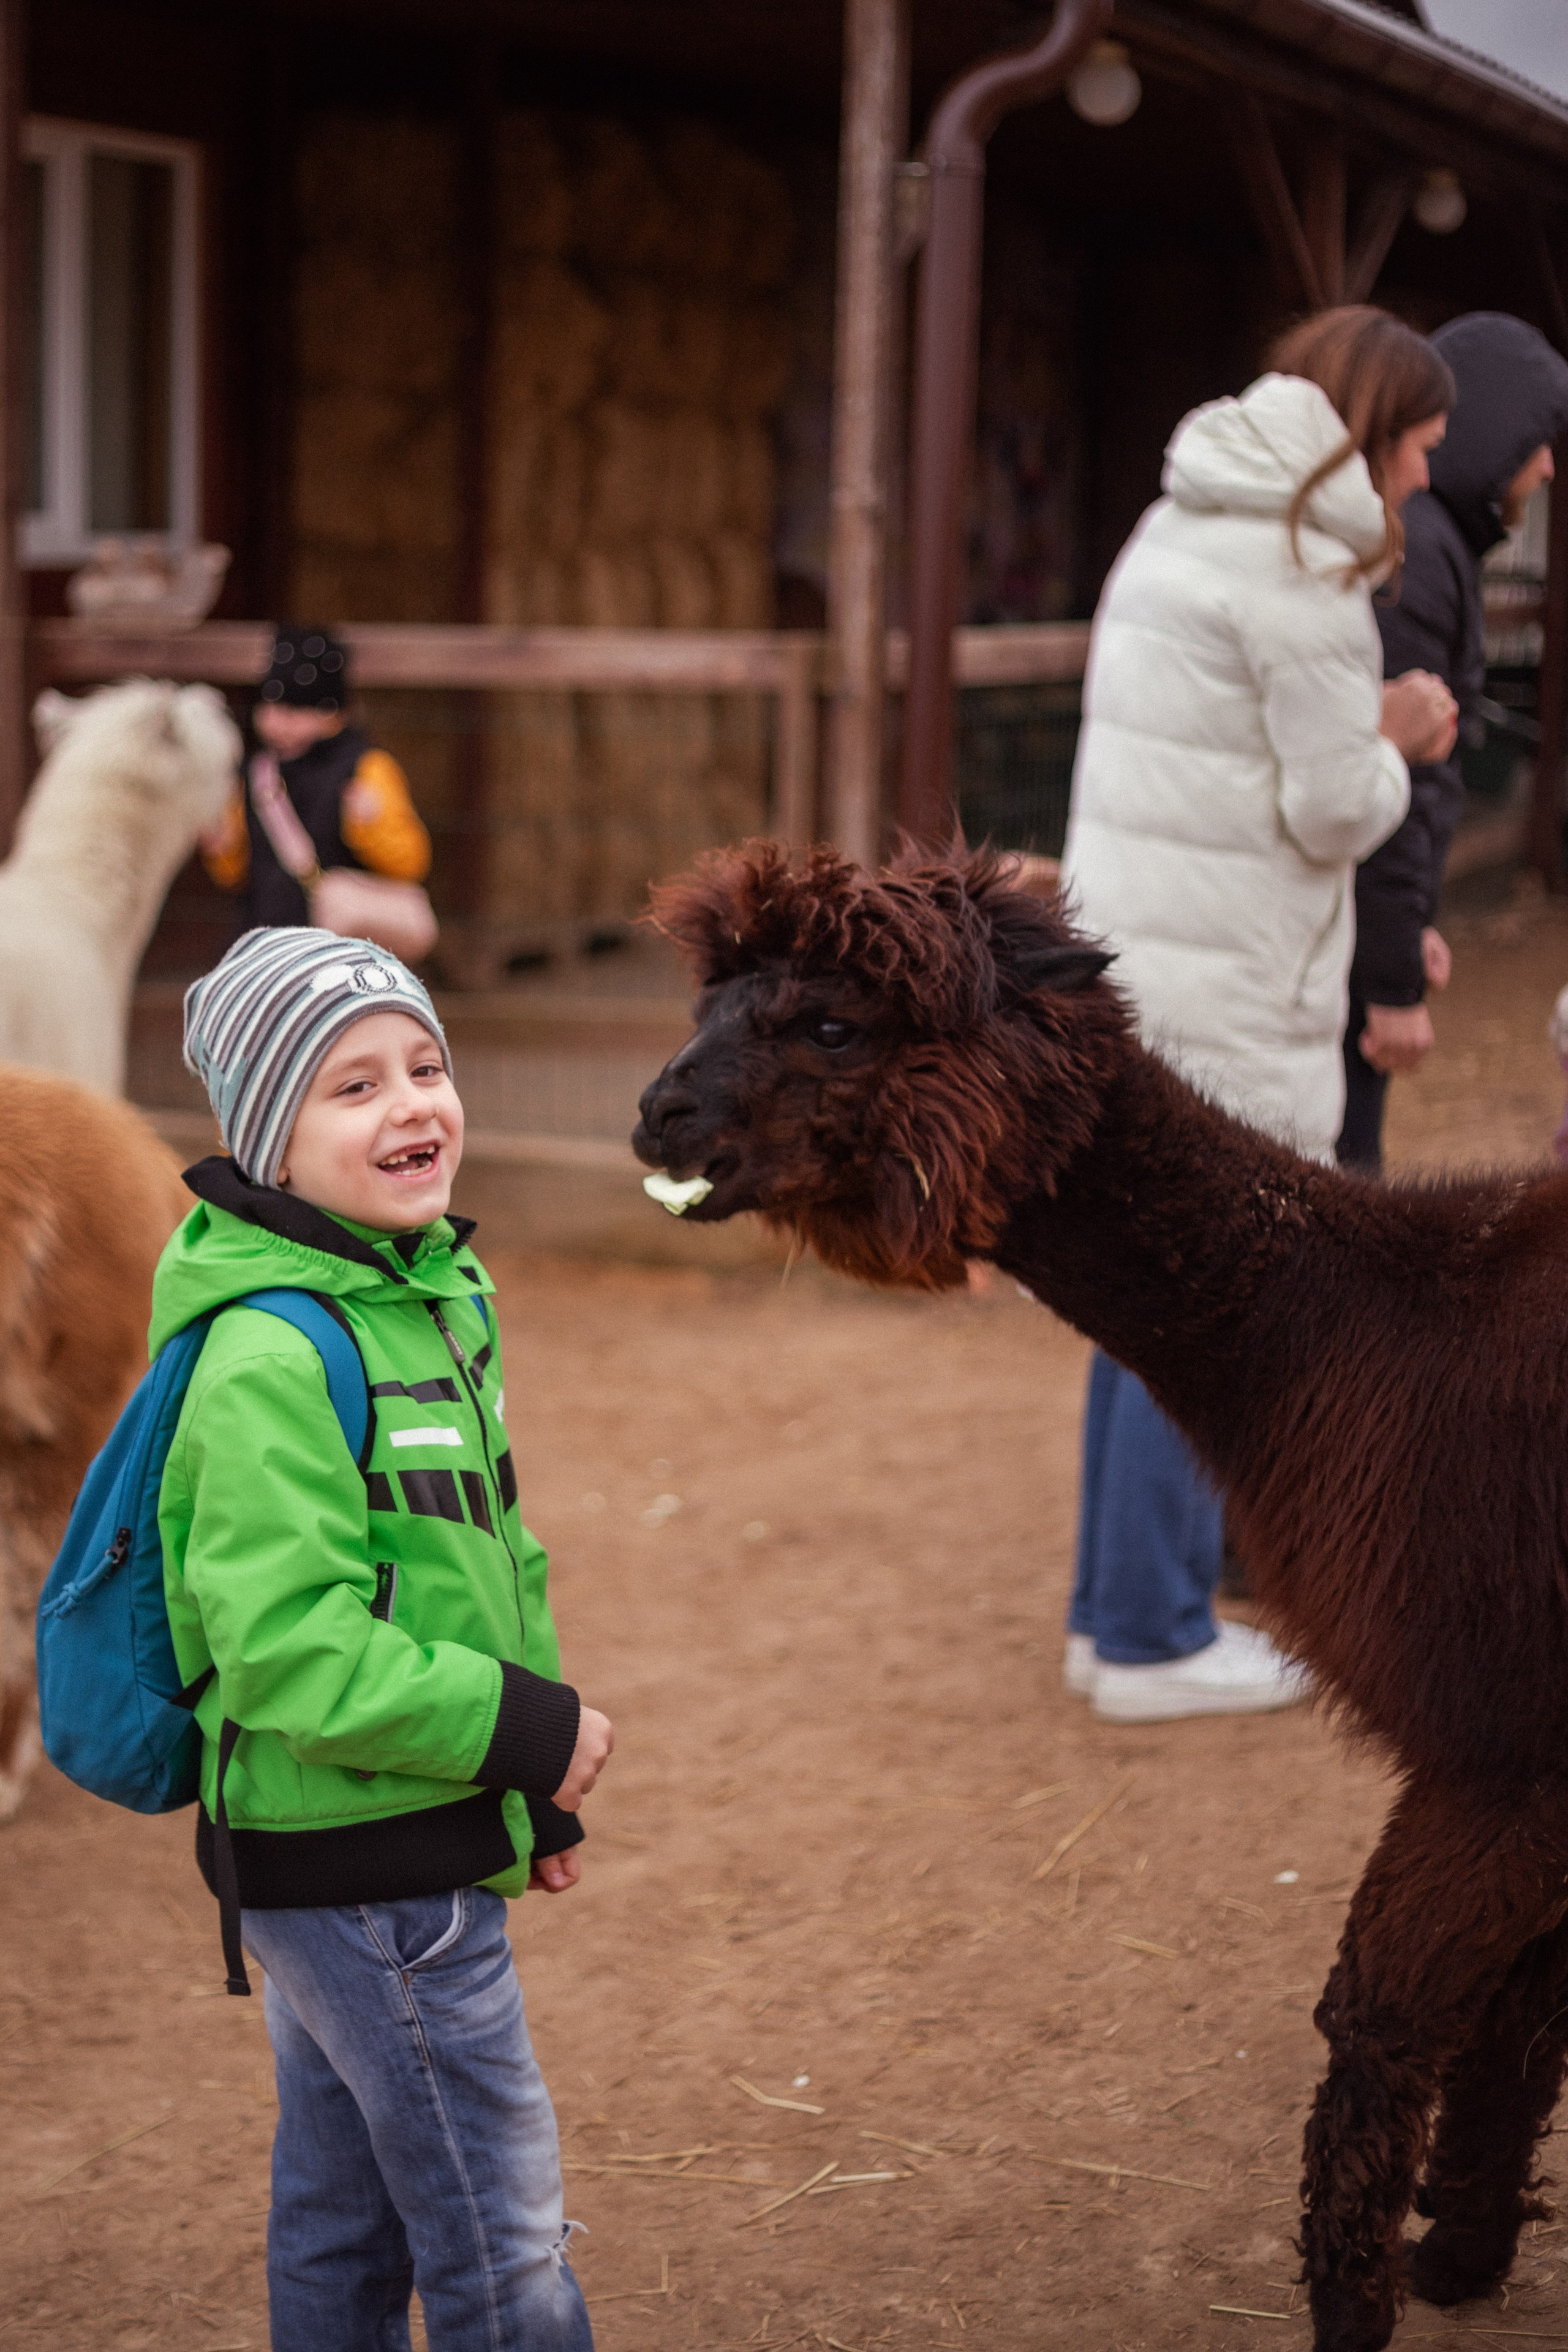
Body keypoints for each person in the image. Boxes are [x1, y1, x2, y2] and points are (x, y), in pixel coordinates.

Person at [167, 925, 611, 2350]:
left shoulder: (428, 1291)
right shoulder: (274, 1356)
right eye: (350, 1086)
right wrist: (524, 1725)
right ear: (267, 1143)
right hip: (364, 1870)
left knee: (345, 2215)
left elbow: (490, 1550)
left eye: (425, 1064)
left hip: (407, 1823)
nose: (412, 1103)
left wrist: (519, 1784)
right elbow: (286, 1649)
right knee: (504, 2242)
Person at [1060, 305, 1457, 1724]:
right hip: (1223, 985)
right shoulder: (1301, 562)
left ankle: (1110, 1615)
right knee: (1209, 1293)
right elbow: (1328, 801)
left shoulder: (1177, 520)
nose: (1417, 480)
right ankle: (1158, 1633)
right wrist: (1399, 738)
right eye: (1415, 447)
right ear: (1369, 429)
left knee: (1140, 1289)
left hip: (1136, 965)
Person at [1340, 312, 1568, 1170]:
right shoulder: (1419, 555)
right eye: (1539, 441)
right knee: (1342, 1172)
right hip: (1343, 967)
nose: (1547, 466)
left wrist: (1411, 929)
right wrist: (1389, 980)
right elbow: (1393, 780)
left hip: (1355, 941)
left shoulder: (1435, 548)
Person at [202, 626, 433, 927]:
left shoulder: (367, 768)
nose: (273, 723)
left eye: (292, 712)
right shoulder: (259, 771)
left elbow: (411, 865)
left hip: (340, 942)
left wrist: (371, 828)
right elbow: (237, 875)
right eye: (267, 708)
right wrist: (223, 850)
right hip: (267, 932)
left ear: (330, 714)